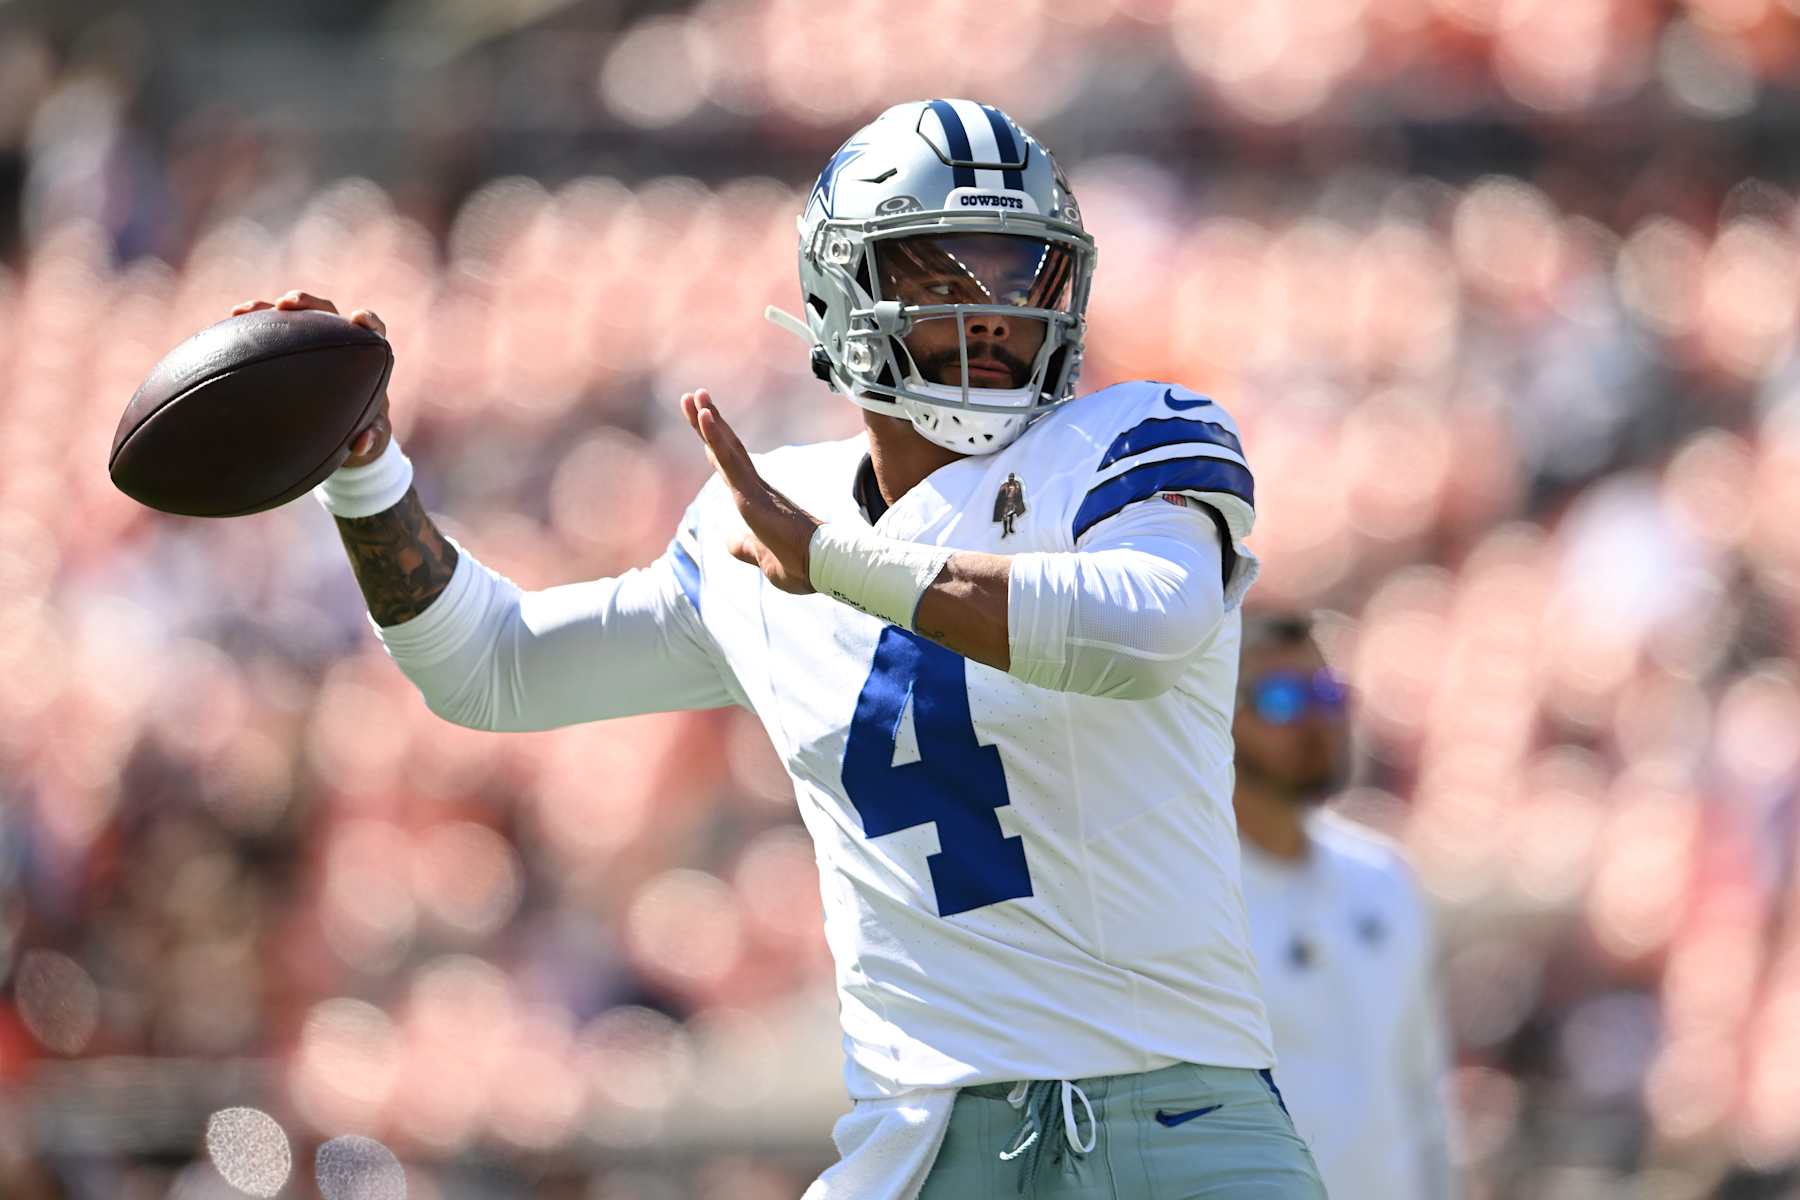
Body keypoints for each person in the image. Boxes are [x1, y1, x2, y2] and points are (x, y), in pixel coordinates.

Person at [235, 99, 1323, 1198]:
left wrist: (840, 565)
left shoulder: (1130, 440)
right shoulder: (764, 521)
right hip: (926, 1143)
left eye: (1022, 276)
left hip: (1177, 1121)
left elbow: (1146, 628)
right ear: (840, 293)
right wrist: (365, 471)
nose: (994, 314)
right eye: (944, 278)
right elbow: (491, 666)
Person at [1232, 613, 1458, 1200]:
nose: (1316, 719)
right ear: (1212, 717)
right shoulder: (1183, 894)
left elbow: (1421, 1094)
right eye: (1280, 698)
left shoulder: (1383, 880)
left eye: (1327, 694)